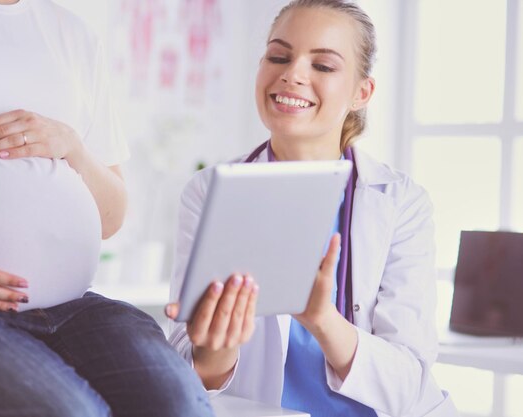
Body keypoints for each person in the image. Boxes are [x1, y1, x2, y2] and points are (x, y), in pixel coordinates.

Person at [0, 1, 213, 416]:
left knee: (179, 408)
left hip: (73, 309)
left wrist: (73, 148)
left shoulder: (74, 36)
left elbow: (112, 218)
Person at [166, 0, 458, 416]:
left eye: (322, 66)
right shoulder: (209, 192)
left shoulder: (399, 202)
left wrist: (322, 319)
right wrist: (216, 347)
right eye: (278, 56)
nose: (292, 74)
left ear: (362, 92)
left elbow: (409, 384)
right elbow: (181, 374)